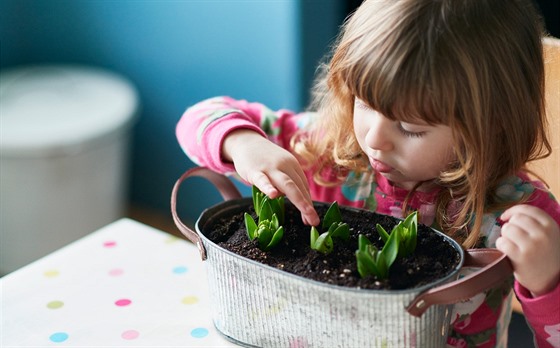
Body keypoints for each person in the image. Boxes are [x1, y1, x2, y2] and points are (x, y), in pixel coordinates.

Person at [176, 0, 560, 346]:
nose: (375, 139)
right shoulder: (328, 150)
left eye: (411, 127)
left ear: (491, 124)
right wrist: (243, 143)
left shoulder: (521, 213)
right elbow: (199, 116)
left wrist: (548, 282)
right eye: (364, 103)